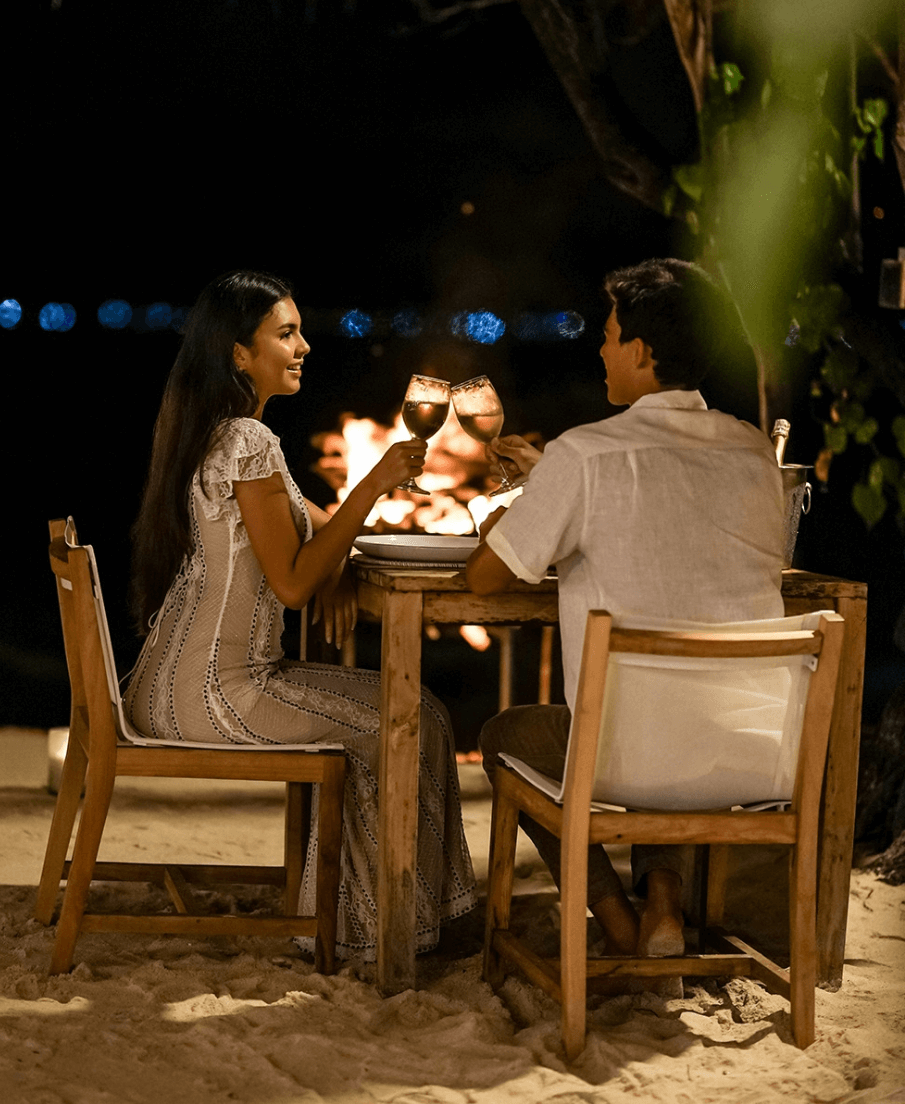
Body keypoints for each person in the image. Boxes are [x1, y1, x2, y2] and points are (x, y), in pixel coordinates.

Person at [125, 271, 476, 961]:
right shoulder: (249, 443)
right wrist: (375, 482)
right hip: (216, 695)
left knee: (421, 709)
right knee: (396, 722)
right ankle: (366, 929)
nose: (305, 346)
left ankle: (419, 917)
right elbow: (292, 584)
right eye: (285, 334)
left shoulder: (221, 434)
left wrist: (340, 551)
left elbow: (313, 534)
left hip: (168, 685)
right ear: (237, 353)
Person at [467, 258, 785, 959]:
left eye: (610, 334)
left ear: (642, 351)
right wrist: (547, 481)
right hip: (754, 754)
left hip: (626, 759)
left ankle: (612, 917)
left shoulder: (585, 454)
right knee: (668, 713)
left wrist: (512, 506)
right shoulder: (758, 455)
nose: (601, 348)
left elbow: (488, 576)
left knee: (508, 735)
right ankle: (664, 902)